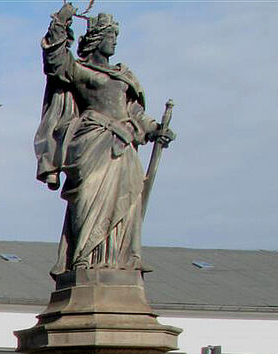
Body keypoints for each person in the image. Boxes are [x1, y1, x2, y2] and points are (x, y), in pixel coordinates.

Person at [35, 4, 175, 276]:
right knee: (89, 197)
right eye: (110, 35)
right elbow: (55, 61)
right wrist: (60, 23)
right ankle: (82, 259)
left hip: (124, 145)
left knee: (129, 196)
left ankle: (123, 258)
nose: (114, 40)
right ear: (97, 39)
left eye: (115, 35)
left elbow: (133, 112)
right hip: (93, 142)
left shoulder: (123, 76)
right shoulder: (80, 71)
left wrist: (155, 128)